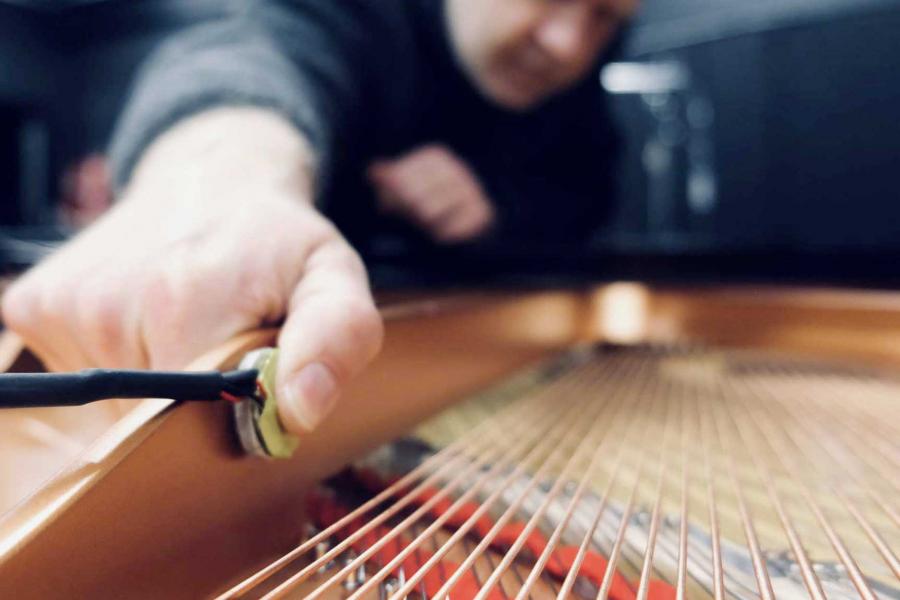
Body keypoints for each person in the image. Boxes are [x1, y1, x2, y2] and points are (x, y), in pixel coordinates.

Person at [2, 0, 638, 435]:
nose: (568, 44)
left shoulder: (574, 82)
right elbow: (259, 53)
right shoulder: (358, 15)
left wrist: (494, 210)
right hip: (297, 372)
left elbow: (587, 190)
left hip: (458, 369)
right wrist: (224, 173)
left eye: (605, 17)